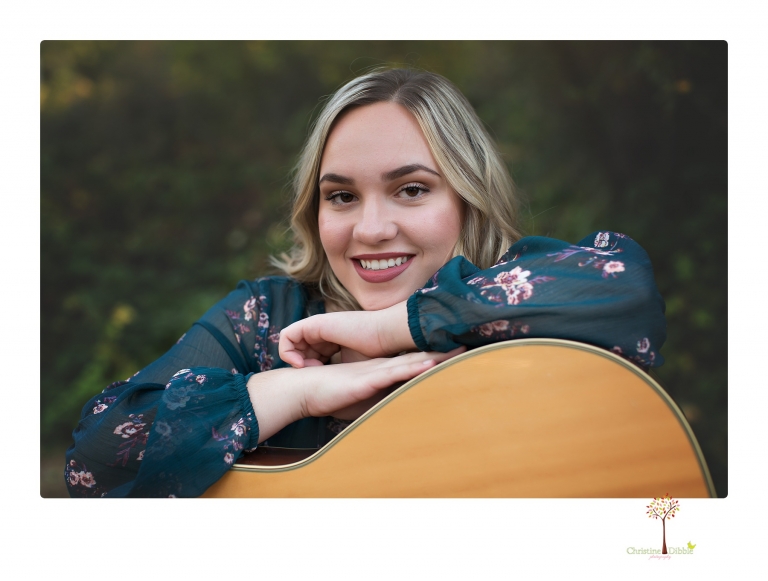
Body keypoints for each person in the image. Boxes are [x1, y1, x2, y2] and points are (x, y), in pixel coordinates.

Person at [65, 68, 666, 498]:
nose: (372, 228)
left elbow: (625, 288)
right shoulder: (268, 320)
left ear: (467, 198)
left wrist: (387, 329)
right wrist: (292, 393)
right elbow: (94, 464)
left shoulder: (519, 298)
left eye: (412, 189)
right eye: (342, 196)